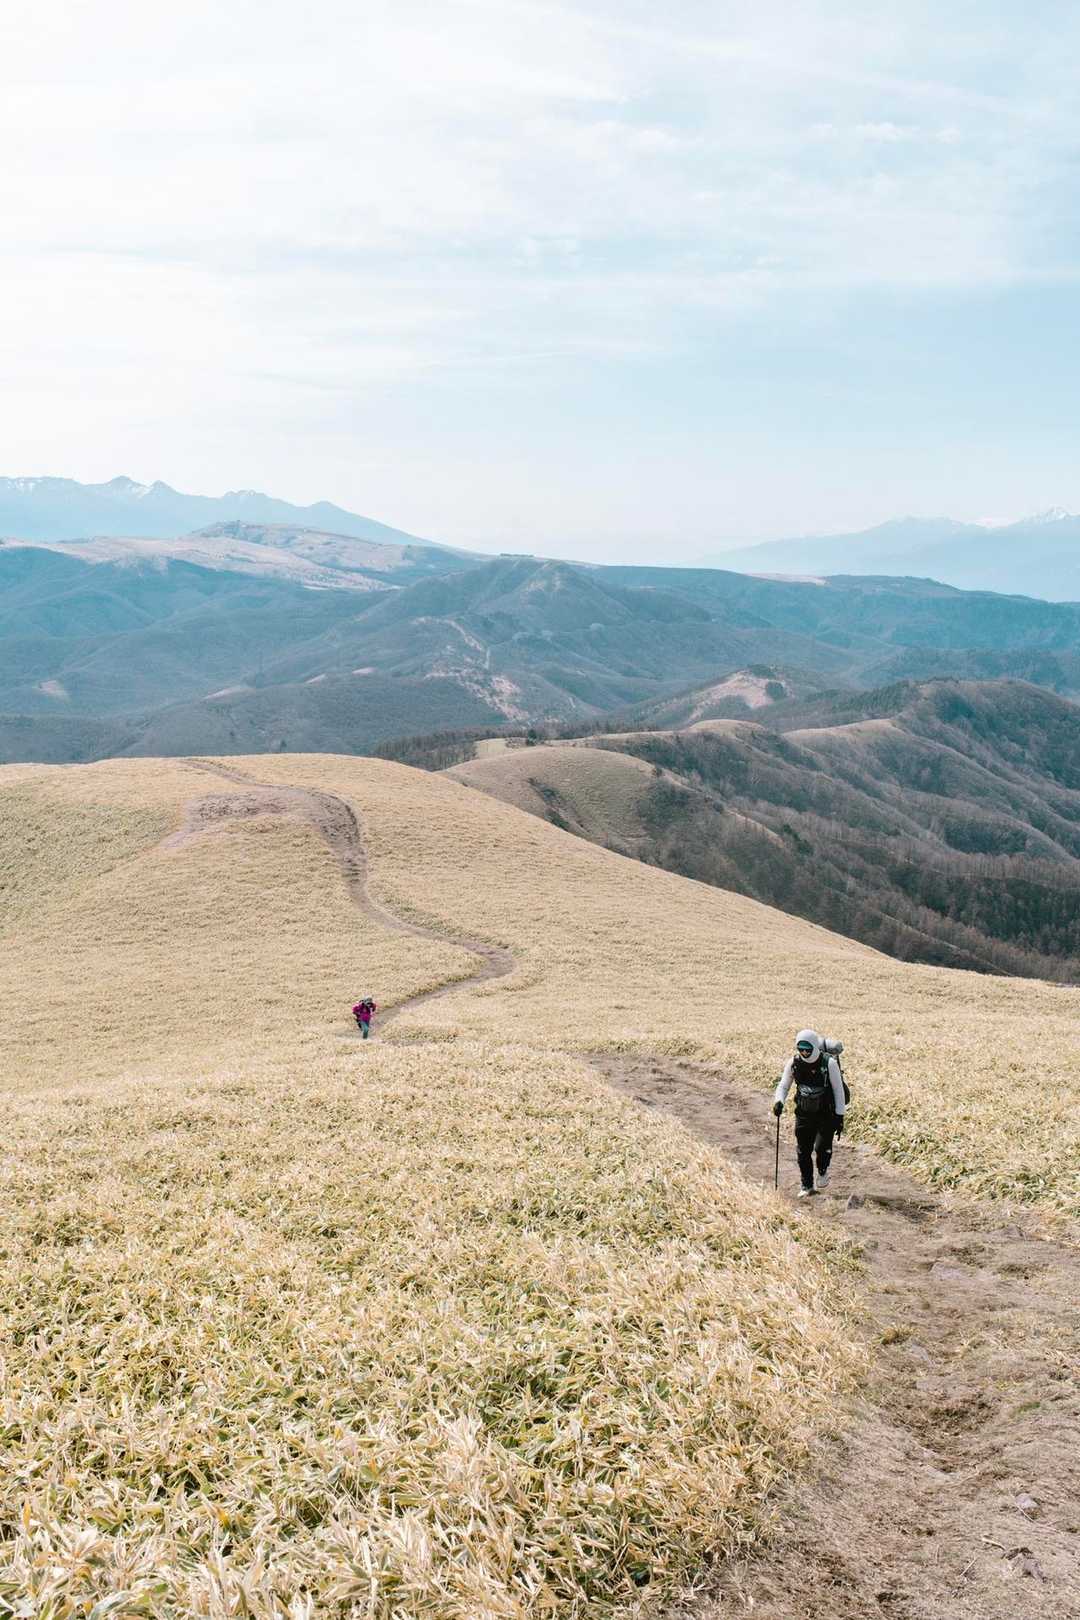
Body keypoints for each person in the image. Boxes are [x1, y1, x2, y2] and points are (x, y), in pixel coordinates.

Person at [772, 1029, 847, 1198]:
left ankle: (822, 1170)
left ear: (814, 1046)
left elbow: (838, 1091)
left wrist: (839, 1116)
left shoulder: (829, 1064)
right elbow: (784, 1085)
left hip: (826, 1114)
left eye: (807, 1049)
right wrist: (779, 1101)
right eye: (801, 1049)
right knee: (803, 1151)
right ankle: (806, 1185)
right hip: (803, 1113)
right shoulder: (794, 1063)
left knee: (821, 1148)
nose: (804, 1053)